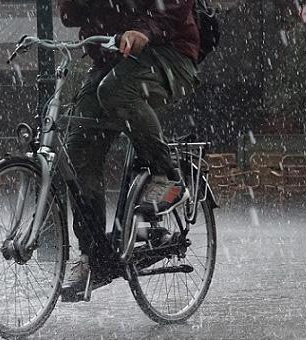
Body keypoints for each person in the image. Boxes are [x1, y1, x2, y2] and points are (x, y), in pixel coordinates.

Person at [57, 0, 200, 299]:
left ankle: (168, 176)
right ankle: (94, 256)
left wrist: (143, 29)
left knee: (115, 90)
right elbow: (71, 17)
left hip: (169, 55)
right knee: (79, 146)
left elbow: (174, 6)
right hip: (112, 61)